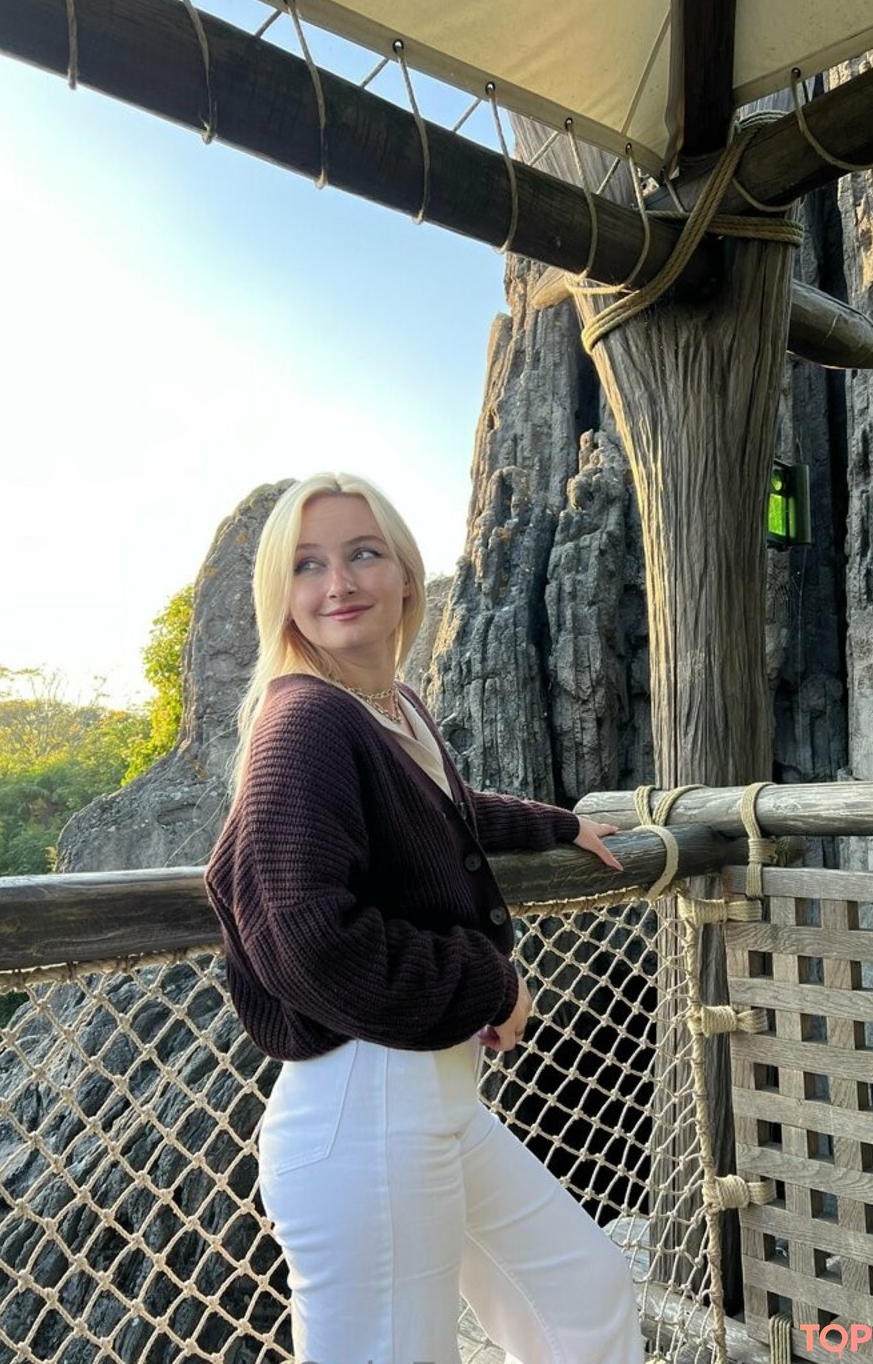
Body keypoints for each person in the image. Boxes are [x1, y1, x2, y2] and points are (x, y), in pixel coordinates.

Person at [205, 473, 646, 1364]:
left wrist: (556, 824)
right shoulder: (304, 721)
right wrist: (491, 983)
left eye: (363, 553)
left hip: (430, 1098)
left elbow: (443, 811)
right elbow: (307, 941)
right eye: (308, 564)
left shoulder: (389, 707)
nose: (339, 583)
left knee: (581, 1294)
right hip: (363, 1107)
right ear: (281, 595)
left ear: (405, 573)